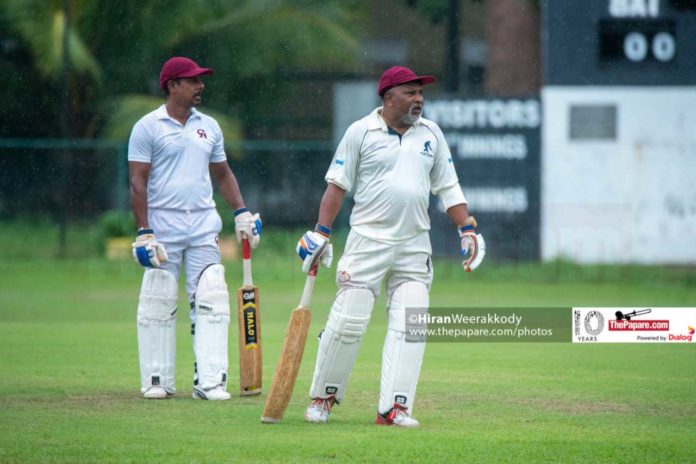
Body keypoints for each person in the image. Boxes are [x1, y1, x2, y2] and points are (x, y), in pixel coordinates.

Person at [295, 66, 486, 427]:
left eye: (421, 93)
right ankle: (323, 398)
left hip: (414, 244)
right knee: (348, 321)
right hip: (367, 241)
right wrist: (321, 232)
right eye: (411, 93)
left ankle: (394, 408)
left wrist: (467, 229)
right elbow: (337, 186)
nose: (419, 99)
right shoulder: (360, 132)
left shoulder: (431, 133)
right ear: (388, 97)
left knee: (411, 325)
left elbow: (448, 186)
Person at [128, 56, 261, 401]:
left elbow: (223, 174)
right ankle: (157, 380)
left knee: (211, 296)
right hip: (164, 228)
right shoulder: (148, 127)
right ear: (172, 85)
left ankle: (210, 382)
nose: (201, 86)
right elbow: (137, 182)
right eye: (193, 81)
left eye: (201, 80)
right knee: (159, 298)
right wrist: (144, 231)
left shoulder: (210, 126)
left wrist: (241, 212)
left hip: (203, 226)